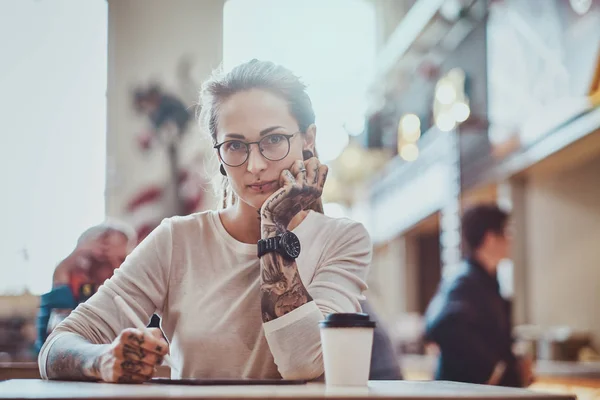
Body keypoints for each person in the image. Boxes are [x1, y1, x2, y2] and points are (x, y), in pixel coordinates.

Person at [38, 60, 372, 384]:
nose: (255, 165)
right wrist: (102, 360)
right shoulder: (176, 240)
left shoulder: (343, 240)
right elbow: (57, 345)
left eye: (273, 140)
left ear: (308, 139)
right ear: (219, 156)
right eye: (236, 145)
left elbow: (302, 361)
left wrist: (274, 226)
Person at [424, 204, 532, 387]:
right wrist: (491, 369)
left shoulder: (487, 281)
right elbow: (440, 325)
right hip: (463, 394)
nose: (511, 239)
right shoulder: (465, 280)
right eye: (506, 232)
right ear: (490, 238)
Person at [35, 221, 137, 351]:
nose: (115, 267)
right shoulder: (78, 287)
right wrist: (63, 270)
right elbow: (48, 341)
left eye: (122, 259)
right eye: (100, 261)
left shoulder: (132, 292)